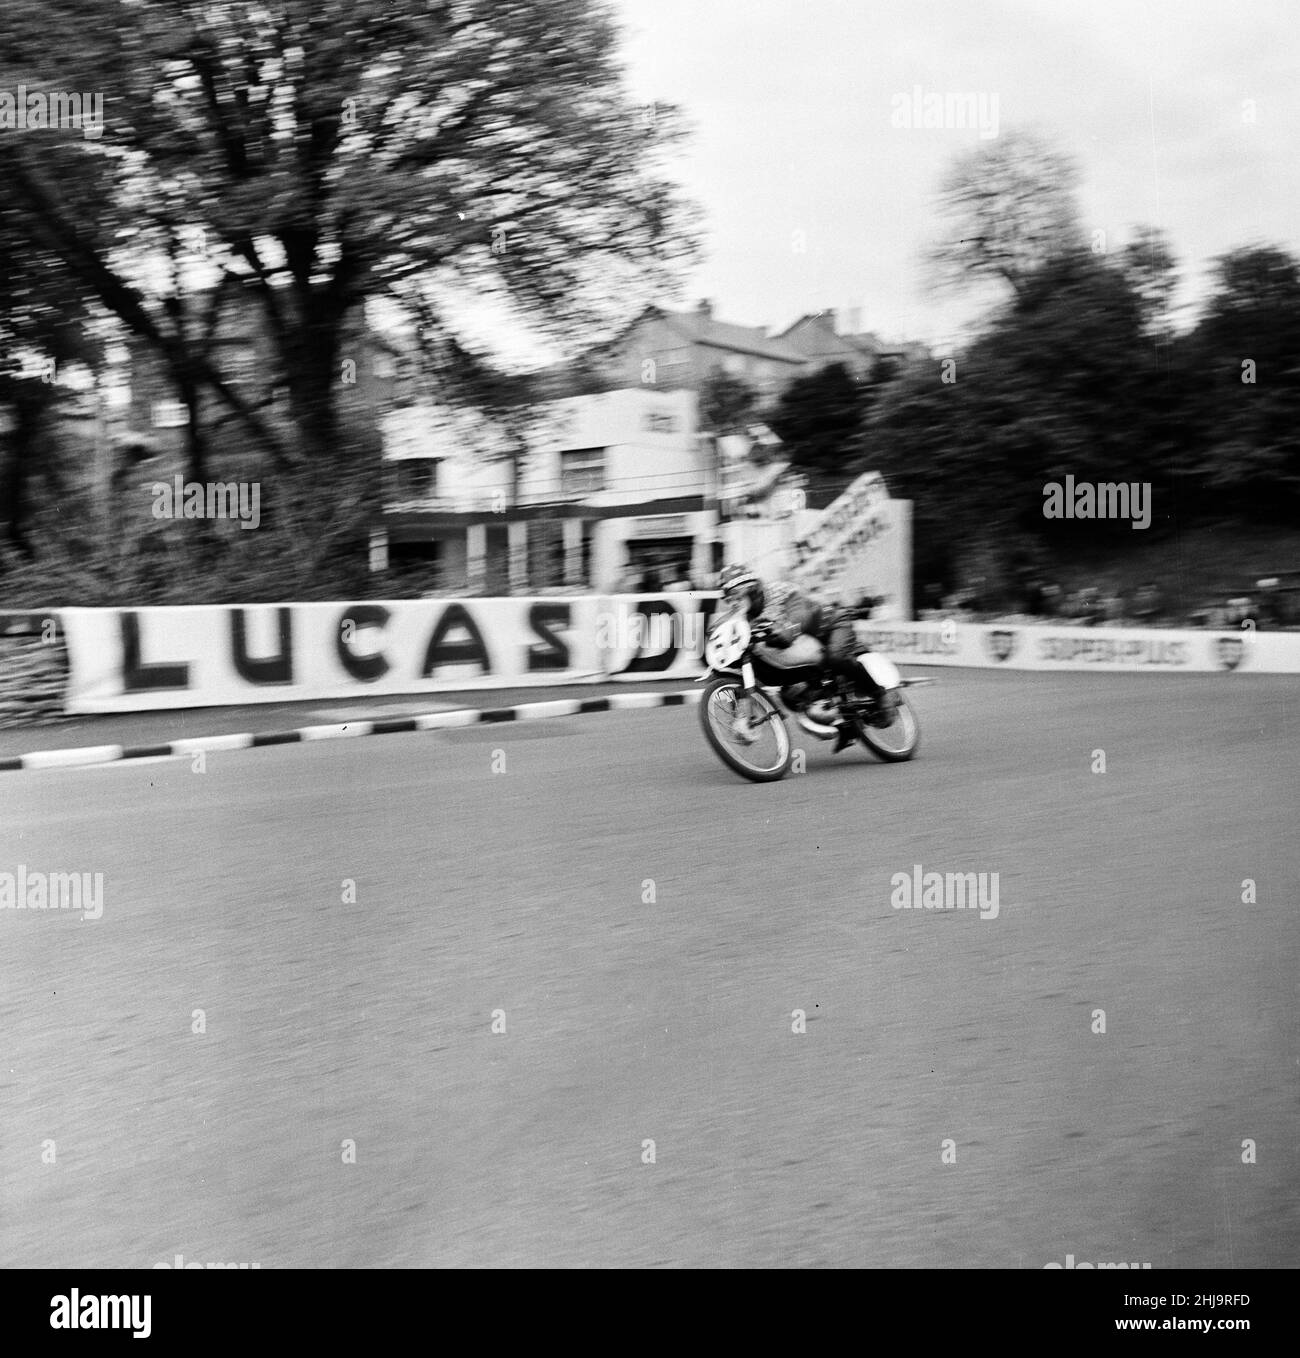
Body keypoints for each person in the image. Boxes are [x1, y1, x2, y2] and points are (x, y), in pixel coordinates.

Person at [717, 563, 887, 754]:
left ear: (752, 588)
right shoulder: (741, 619)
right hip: (803, 648)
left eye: (738, 593)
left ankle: (881, 695)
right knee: (789, 694)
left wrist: (787, 631)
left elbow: (801, 615)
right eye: (730, 597)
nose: (735, 601)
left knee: (834, 658)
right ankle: (844, 726)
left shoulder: (780, 591)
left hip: (832, 626)